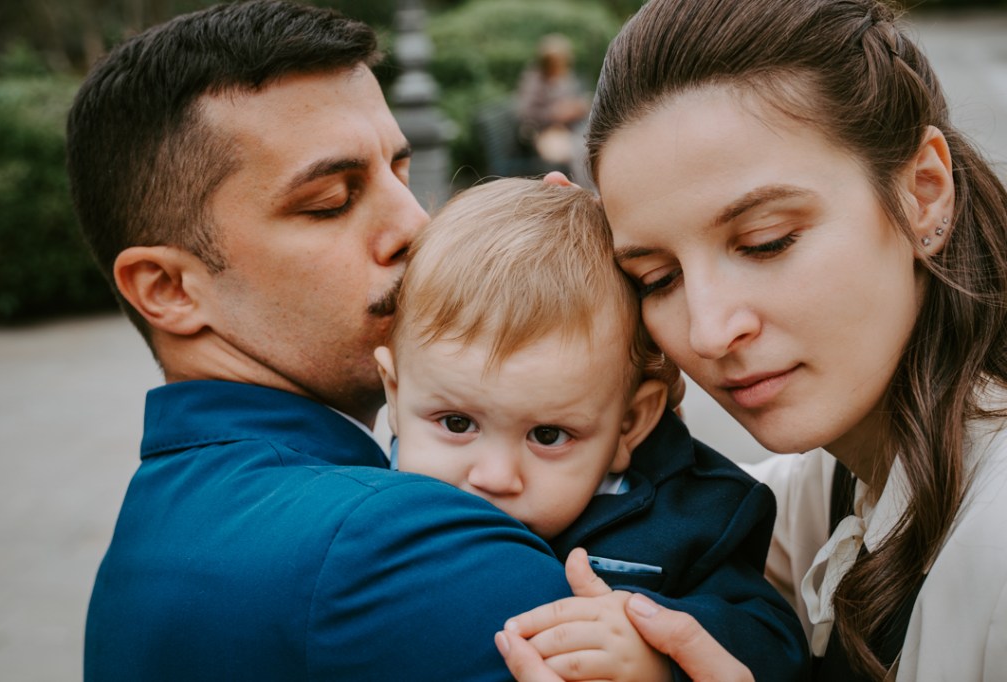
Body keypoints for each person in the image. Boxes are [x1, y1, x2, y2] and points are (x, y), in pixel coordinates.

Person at [67, 2, 581, 679]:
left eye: (399, 173)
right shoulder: (399, 550)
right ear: (168, 288)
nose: (416, 225)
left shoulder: (148, 537)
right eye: (331, 202)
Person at [499, 0, 1007, 680]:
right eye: (655, 277)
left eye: (766, 243)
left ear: (923, 193)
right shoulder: (826, 492)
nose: (709, 331)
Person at [375, 177, 810, 681]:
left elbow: (778, 645)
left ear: (629, 424)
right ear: (395, 391)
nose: (495, 477)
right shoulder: (363, 503)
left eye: (548, 436)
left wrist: (657, 650)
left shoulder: (690, 519)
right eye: (456, 423)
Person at [515, 34, 591, 184]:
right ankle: (584, 190)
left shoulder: (565, 76)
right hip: (542, 132)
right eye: (557, 62)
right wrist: (555, 113)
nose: (561, 65)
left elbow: (571, 100)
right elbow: (525, 112)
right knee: (579, 152)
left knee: (588, 144)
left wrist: (577, 107)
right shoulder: (534, 81)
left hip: (568, 129)